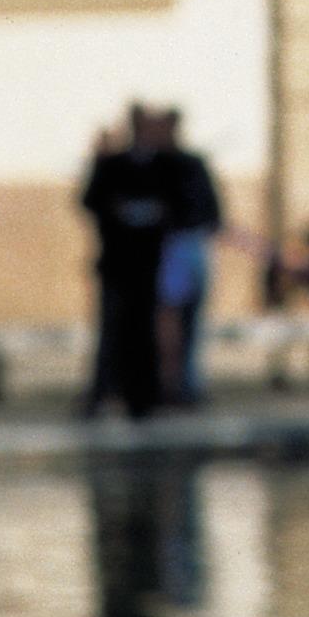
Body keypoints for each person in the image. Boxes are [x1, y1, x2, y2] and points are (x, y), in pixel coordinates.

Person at [80, 105, 176, 419]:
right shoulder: (112, 165)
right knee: (112, 330)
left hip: (149, 264)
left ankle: (143, 398)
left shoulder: (164, 166)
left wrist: (155, 213)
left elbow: (180, 207)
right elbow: (91, 202)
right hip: (118, 264)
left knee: (145, 331)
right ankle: (103, 394)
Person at [149, 109, 224, 408]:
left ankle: (189, 382)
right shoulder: (156, 165)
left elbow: (212, 207)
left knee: (193, 317)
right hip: (172, 246)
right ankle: (170, 383)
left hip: (193, 243)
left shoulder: (193, 163)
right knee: (169, 317)